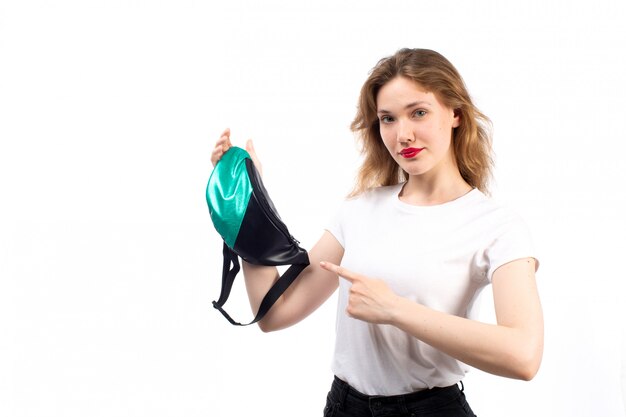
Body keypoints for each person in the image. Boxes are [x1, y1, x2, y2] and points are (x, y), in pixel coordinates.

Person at [210, 48, 543, 417]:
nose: (403, 135)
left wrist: (396, 309)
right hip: (344, 407)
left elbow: (523, 355)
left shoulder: (495, 226)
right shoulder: (360, 209)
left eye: (419, 112)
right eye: (388, 118)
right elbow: (275, 314)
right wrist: (245, 205)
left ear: (455, 114)